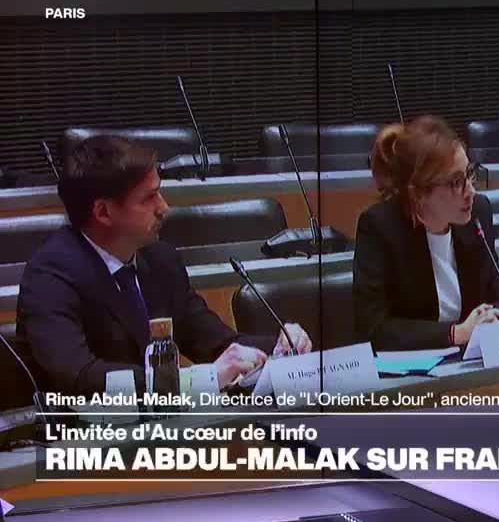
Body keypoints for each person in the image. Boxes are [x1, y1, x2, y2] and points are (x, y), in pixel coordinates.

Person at [17, 136, 312, 397]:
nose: (164, 207)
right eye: (148, 198)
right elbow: (81, 378)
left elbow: (214, 342)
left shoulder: (159, 260)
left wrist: (279, 347)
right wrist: (194, 381)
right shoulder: (50, 276)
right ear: (103, 212)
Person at [353, 116, 499, 351]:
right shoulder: (380, 227)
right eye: (456, 182)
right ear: (418, 194)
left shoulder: (478, 213)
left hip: (472, 359)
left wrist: (493, 320)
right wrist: (456, 333)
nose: (470, 191)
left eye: (469, 173)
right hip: (410, 368)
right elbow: (374, 328)